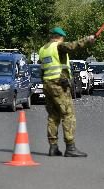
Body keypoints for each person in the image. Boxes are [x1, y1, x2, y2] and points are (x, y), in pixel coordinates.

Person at [38, 27, 95, 157]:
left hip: (47, 84)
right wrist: (88, 39)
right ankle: (70, 147)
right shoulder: (59, 46)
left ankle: (53, 147)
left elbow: (41, 70)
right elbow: (72, 46)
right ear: (60, 37)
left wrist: (46, 83)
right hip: (59, 85)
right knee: (68, 114)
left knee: (53, 116)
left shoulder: (42, 50)